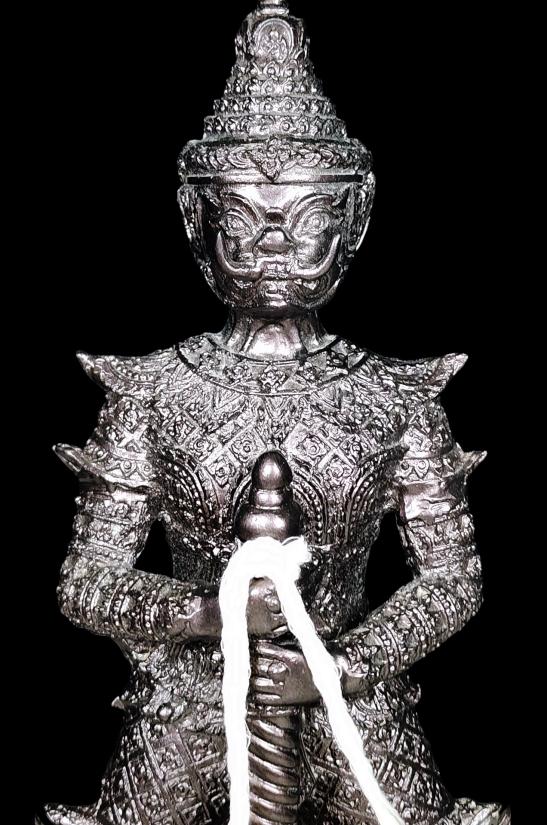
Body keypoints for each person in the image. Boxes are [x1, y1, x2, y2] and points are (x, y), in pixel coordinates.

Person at [40, 2, 510, 824]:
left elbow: (451, 580)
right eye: (243, 224)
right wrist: (205, 612)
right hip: (191, 698)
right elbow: (85, 582)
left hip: (347, 696)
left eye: (303, 225)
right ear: (195, 219)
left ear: (354, 220)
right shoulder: (152, 392)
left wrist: (339, 667)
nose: (271, 251)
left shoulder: (392, 396)